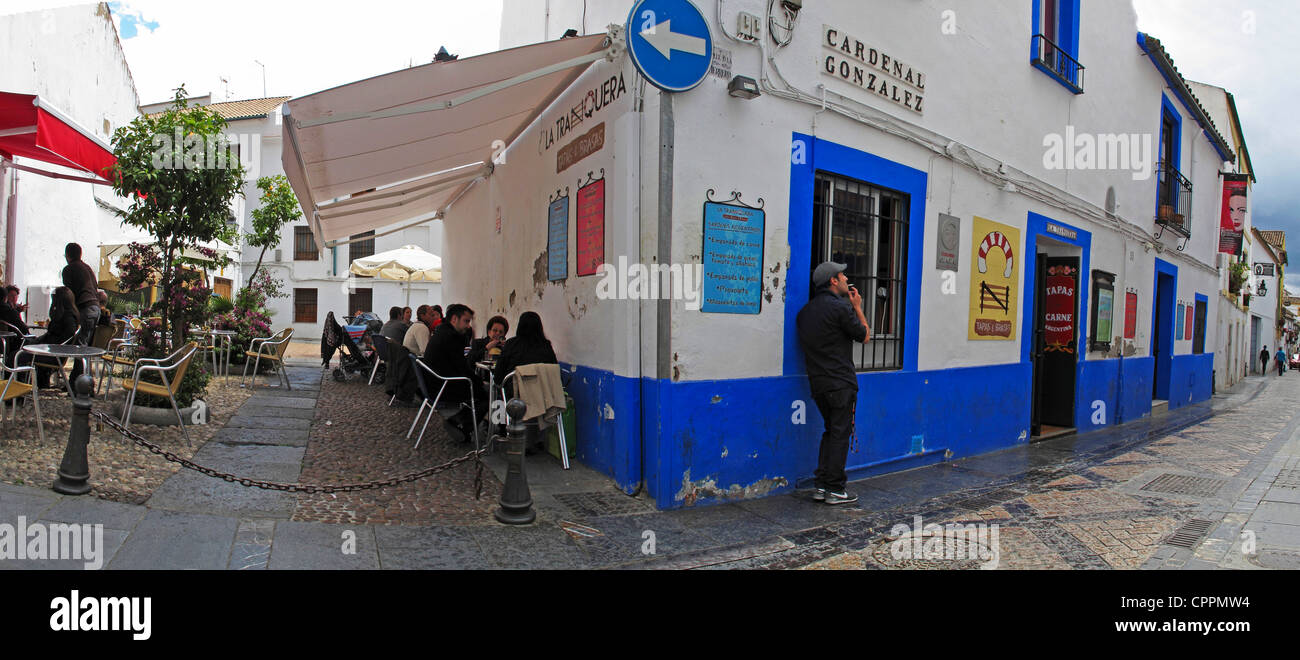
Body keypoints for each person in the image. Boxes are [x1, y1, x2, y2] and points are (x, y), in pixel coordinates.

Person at [796, 262, 870, 506]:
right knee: (840, 434)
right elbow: (864, 335)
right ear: (833, 281)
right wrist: (857, 307)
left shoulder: (804, 313)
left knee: (831, 432)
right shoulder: (840, 308)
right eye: (842, 275)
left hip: (818, 384)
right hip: (840, 382)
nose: (846, 278)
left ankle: (822, 485)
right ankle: (836, 488)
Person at [423, 303, 485, 443]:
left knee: (479, 389)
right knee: (486, 395)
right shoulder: (452, 337)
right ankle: (462, 426)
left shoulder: (441, 331)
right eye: (466, 321)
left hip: (433, 383)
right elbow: (461, 367)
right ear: (454, 319)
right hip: (443, 386)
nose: (468, 326)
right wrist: (478, 381)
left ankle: (459, 421)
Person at [16, 286, 79, 389]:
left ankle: (18, 387)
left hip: (53, 354)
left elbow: (64, 337)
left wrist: (42, 344)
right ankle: (34, 383)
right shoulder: (66, 315)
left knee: (18, 356)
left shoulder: (68, 318)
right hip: (51, 351)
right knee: (22, 350)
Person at [493, 312, 556, 396]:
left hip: (516, 398)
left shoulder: (512, 344)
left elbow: (498, 377)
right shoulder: (546, 346)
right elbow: (554, 372)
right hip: (542, 397)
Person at [61, 243, 99, 346]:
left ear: (67, 255)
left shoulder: (69, 269)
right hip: (96, 308)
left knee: (79, 346)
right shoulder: (88, 268)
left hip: (85, 308)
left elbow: (69, 293)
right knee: (85, 344)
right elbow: (95, 287)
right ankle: (82, 362)